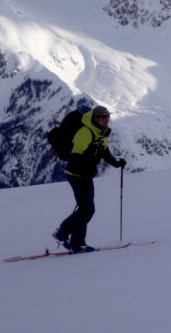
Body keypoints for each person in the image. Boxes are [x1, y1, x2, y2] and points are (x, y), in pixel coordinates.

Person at [53, 105, 126, 253]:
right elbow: (75, 155)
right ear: (96, 118)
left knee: (86, 208)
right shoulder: (85, 132)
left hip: (85, 175)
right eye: (104, 117)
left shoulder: (100, 133)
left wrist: (116, 163)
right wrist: (87, 163)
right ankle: (76, 242)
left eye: (108, 117)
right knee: (87, 209)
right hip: (75, 175)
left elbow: (105, 152)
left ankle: (63, 233)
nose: (107, 120)